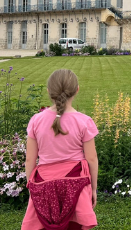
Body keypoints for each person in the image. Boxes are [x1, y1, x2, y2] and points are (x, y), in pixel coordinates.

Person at [22, 69, 98, 230]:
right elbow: (91, 159)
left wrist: (32, 188)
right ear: (77, 90)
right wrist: (93, 189)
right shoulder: (84, 122)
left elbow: (30, 159)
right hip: (76, 181)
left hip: (44, 182)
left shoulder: (36, 121)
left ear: (49, 91)